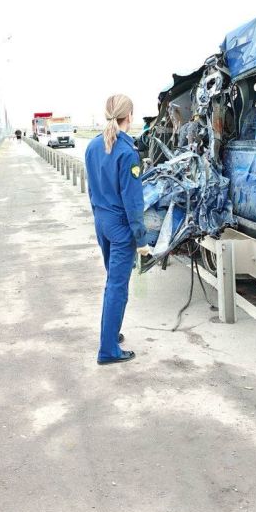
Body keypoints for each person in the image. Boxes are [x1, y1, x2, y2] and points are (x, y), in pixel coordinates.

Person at [85, 94, 151, 365]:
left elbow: (91, 190)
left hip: (102, 221)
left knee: (111, 282)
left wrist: (100, 217)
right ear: (130, 117)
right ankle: (108, 350)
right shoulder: (127, 152)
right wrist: (142, 240)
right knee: (117, 286)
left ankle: (111, 334)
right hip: (122, 228)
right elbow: (133, 203)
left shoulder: (92, 146)